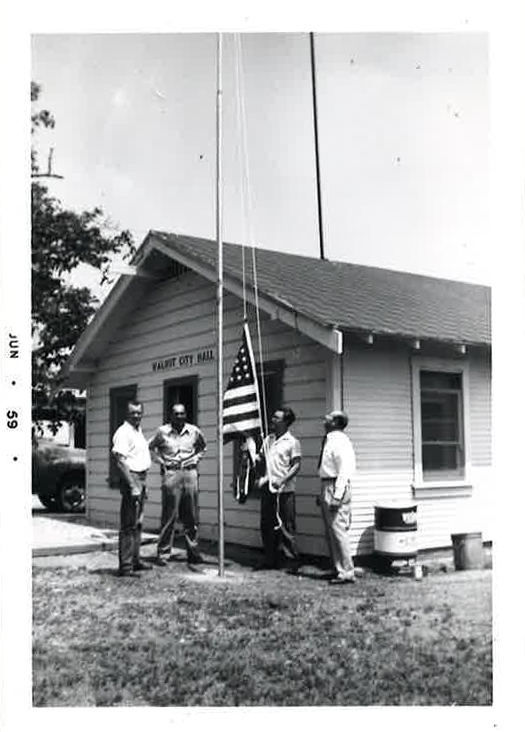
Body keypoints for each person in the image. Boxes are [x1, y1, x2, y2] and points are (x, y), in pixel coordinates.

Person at [149, 404, 206, 565]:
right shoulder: (162, 432)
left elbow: (202, 447)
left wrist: (196, 458)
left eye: (182, 413)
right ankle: (163, 554)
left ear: (186, 415)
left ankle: (193, 553)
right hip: (172, 474)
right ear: (171, 416)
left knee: (191, 516)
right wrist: (161, 462)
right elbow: (150, 447)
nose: (179, 416)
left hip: (190, 474)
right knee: (169, 515)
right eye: (176, 414)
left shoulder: (194, 431)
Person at [257, 407, 302, 571]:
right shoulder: (268, 440)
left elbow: (296, 465)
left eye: (276, 418)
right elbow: (260, 460)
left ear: (285, 422)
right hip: (268, 489)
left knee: (287, 525)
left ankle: (291, 561)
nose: (273, 419)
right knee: (267, 525)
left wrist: (282, 480)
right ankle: (270, 559)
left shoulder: (292, 442)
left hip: (285, 491)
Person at [112, 401, 152, 577]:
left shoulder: (138, 431)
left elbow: (139, 457)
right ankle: (126, 566)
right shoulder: (123, 432)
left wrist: (143, 485)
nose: (136, 415)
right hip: (132, 479)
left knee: (138, 523)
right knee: (128, 524)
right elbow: (120, 462)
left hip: (141, 478)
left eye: (138, 413)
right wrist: (133, 486)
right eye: (132, 413)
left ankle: (135, 561)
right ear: (127, 413)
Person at [318, 410, 357, 584]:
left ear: (335, 422)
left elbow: (344, 471)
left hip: (336, 485)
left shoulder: (340, 441)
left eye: (329, 416)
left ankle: (347, 571)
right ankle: (339, 569)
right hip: (327, 484)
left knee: (338, 530)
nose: (325, 418)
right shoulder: (330, 440)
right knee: (331, 531)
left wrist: (337, 495)